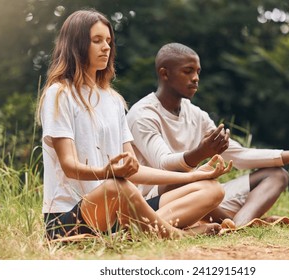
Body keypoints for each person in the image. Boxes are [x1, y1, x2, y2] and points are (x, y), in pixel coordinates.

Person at [36, 11, 232, 241]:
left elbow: (135, 170)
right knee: (117, 187)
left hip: (118, 214)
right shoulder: (59, 94)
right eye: (97, 40)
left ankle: (136, 234)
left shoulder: (113, 100)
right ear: (76, 45)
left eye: (109, 41)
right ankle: (179, 236)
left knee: (212, 189)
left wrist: (195, 175)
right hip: (70, 218)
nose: (106, 48)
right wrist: (106, 173)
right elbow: (69, 166)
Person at [126, 42, 289, 228]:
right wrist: (200, 153)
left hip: (204, 193)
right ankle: (227, 222)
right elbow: (164, 164)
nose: (196, 78)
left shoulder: (195, 114)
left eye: (198, 72)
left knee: (277, 175)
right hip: (157, 201)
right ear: (165, 74)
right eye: (188, 71)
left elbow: (239, 156)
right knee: (186, 178)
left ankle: (237, 225)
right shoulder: (143, 114)